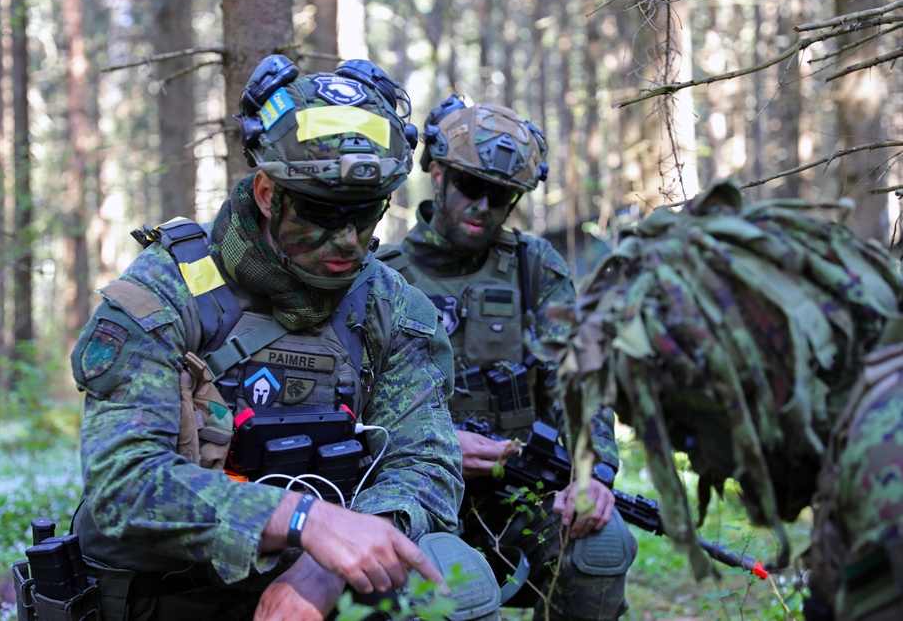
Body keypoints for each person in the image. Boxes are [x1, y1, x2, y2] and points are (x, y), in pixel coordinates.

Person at [59, 57, 498, 621]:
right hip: (164, 596)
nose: (346, 240)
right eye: (320, 212)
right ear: (268, 193)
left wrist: (328, 562)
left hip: (315, 595)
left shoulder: (391, 307)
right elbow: (123, 483)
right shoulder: (166, 291)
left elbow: (425, 466)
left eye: (365, 216)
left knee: (457, 584)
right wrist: (303, 521)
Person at [562, 179, 903, 621]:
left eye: (687, 433)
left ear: (757, 381)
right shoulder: (864, 425)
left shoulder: (885, 453)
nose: (702, 466)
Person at [376, 96, 637, 621]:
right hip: (420, 494)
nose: (484, 208)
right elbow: (354, 413)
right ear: (436, 172)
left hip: (519, 494)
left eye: (502, 197)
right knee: (457, 586)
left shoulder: (532, 266)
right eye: (472, 188)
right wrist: (440, 445)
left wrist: (592, 471)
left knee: (600, 545)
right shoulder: (384, 276)